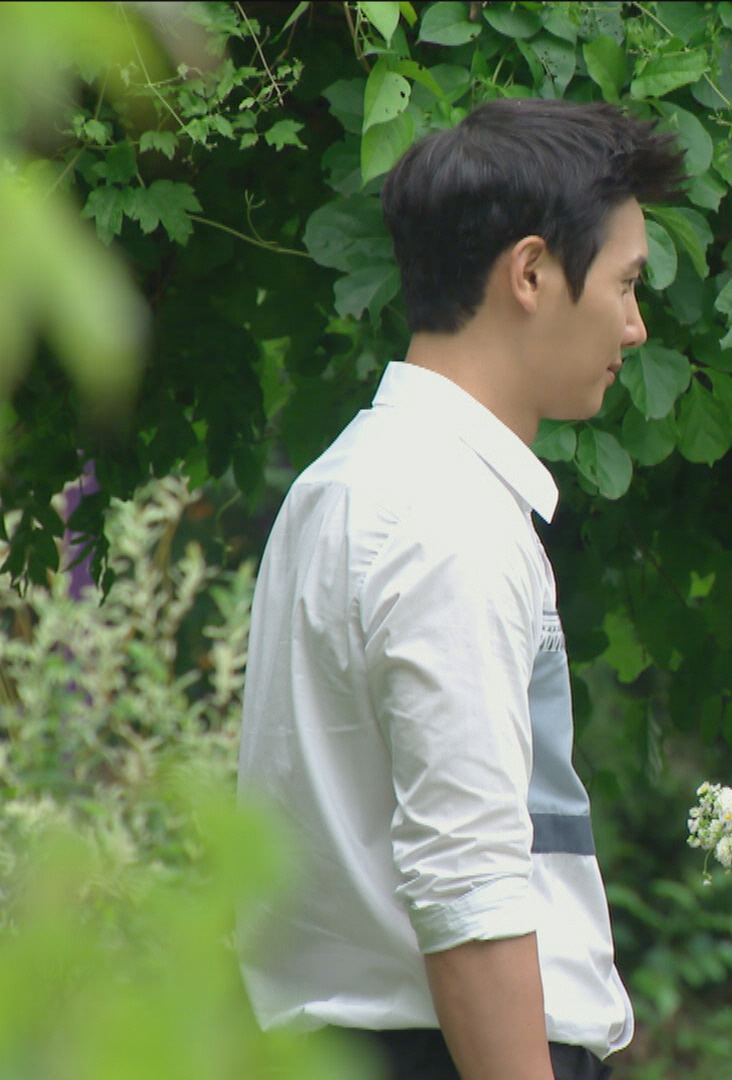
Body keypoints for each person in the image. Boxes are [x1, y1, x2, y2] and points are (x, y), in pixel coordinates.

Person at [235, 98, 684, 1080]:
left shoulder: (341, 483)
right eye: (625, 284)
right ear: (531, 274)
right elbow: (470, 892)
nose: (636, 324)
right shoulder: (447, 519)